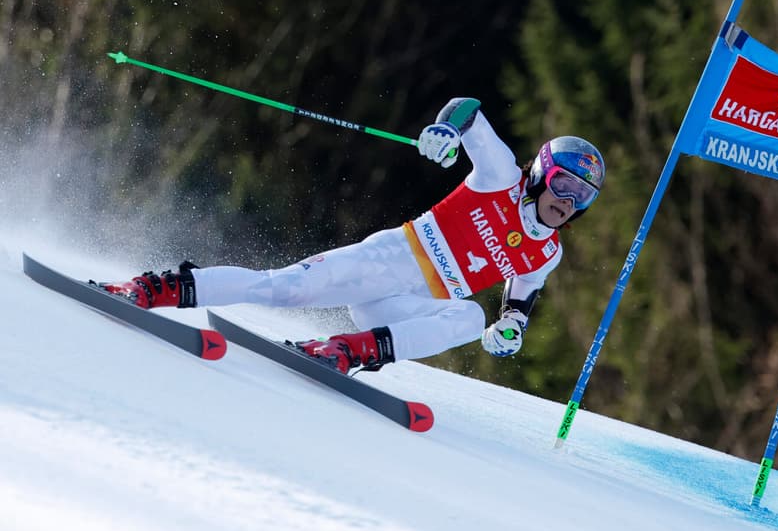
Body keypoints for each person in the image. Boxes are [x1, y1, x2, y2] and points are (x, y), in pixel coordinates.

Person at [103, 98, 606, 374]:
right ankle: (157, 288)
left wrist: (511, 328)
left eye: (581, 196)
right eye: (563, 183)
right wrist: (447, 131)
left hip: (404, 304)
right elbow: (467, 109)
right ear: (542, 172)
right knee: (280, 289)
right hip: (390, 260)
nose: (567, 200)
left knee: (472, 316)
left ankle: (349, 351)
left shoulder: (547, 253)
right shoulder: (501, 176)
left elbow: (520, 297)